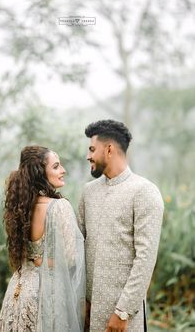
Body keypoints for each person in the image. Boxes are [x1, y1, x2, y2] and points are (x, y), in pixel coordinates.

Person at [77, 120, 164, 332]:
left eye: (92, 149)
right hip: (87, 313)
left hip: (123, 318)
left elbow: (145, 258)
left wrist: (123, 311)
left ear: (109, 149)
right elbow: (79, 246)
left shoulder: (144, 192)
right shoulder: (88, 192)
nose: (88, 156)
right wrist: (81, 301)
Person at [0, 145, 85, 332]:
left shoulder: (20, 206)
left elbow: (25, 253)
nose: (63, 170)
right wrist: (43, 260)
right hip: (47, 292)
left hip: (18, 292)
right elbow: (70, 258)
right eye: (56, 166)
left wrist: (37, 259)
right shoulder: (59, 207)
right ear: (40, 173)